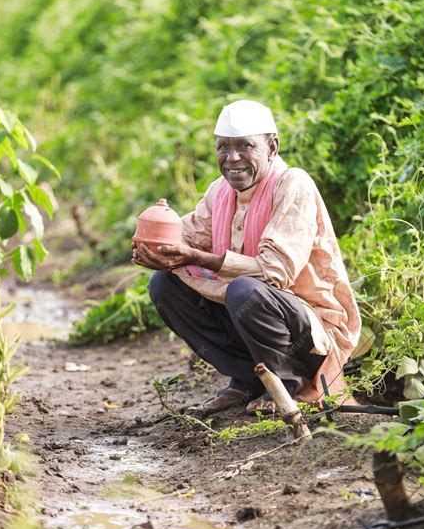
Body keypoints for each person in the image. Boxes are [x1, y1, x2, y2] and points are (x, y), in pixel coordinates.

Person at [132, 100, 361, 416]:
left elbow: (273, 273)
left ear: (272, 147)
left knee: (244, 289)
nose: (232, 158)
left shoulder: (293, 184)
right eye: (223, 148)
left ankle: (288, 384)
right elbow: (187, 234)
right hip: (254, 312)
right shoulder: (220, 191)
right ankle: (248, 380)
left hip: (311, 328)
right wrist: (155, 246)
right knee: (164, 284)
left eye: (244, 146)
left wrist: (199, 257)